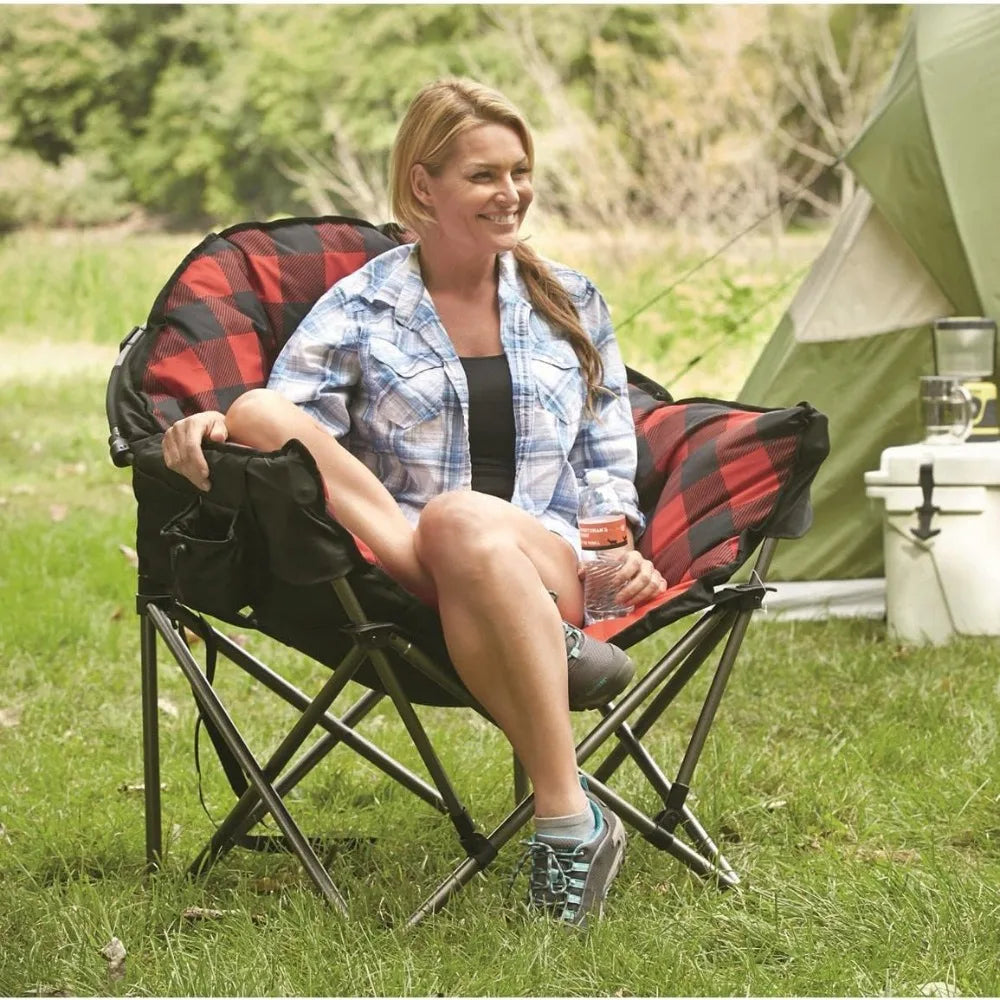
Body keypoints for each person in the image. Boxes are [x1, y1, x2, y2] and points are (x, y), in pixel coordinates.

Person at [162, 78, 666, 927]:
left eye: (520, 171)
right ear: (423, 185)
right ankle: (570, 817)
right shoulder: (362, 308)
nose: (511, 194)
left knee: (459, 516)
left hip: (551, 559)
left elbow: (606, 449)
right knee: (258, 411)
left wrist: (615, 553)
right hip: (416, 566)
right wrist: (215, 422)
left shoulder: (571, 301)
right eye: (483, 175)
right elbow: (292, 438)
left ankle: (561, 779)